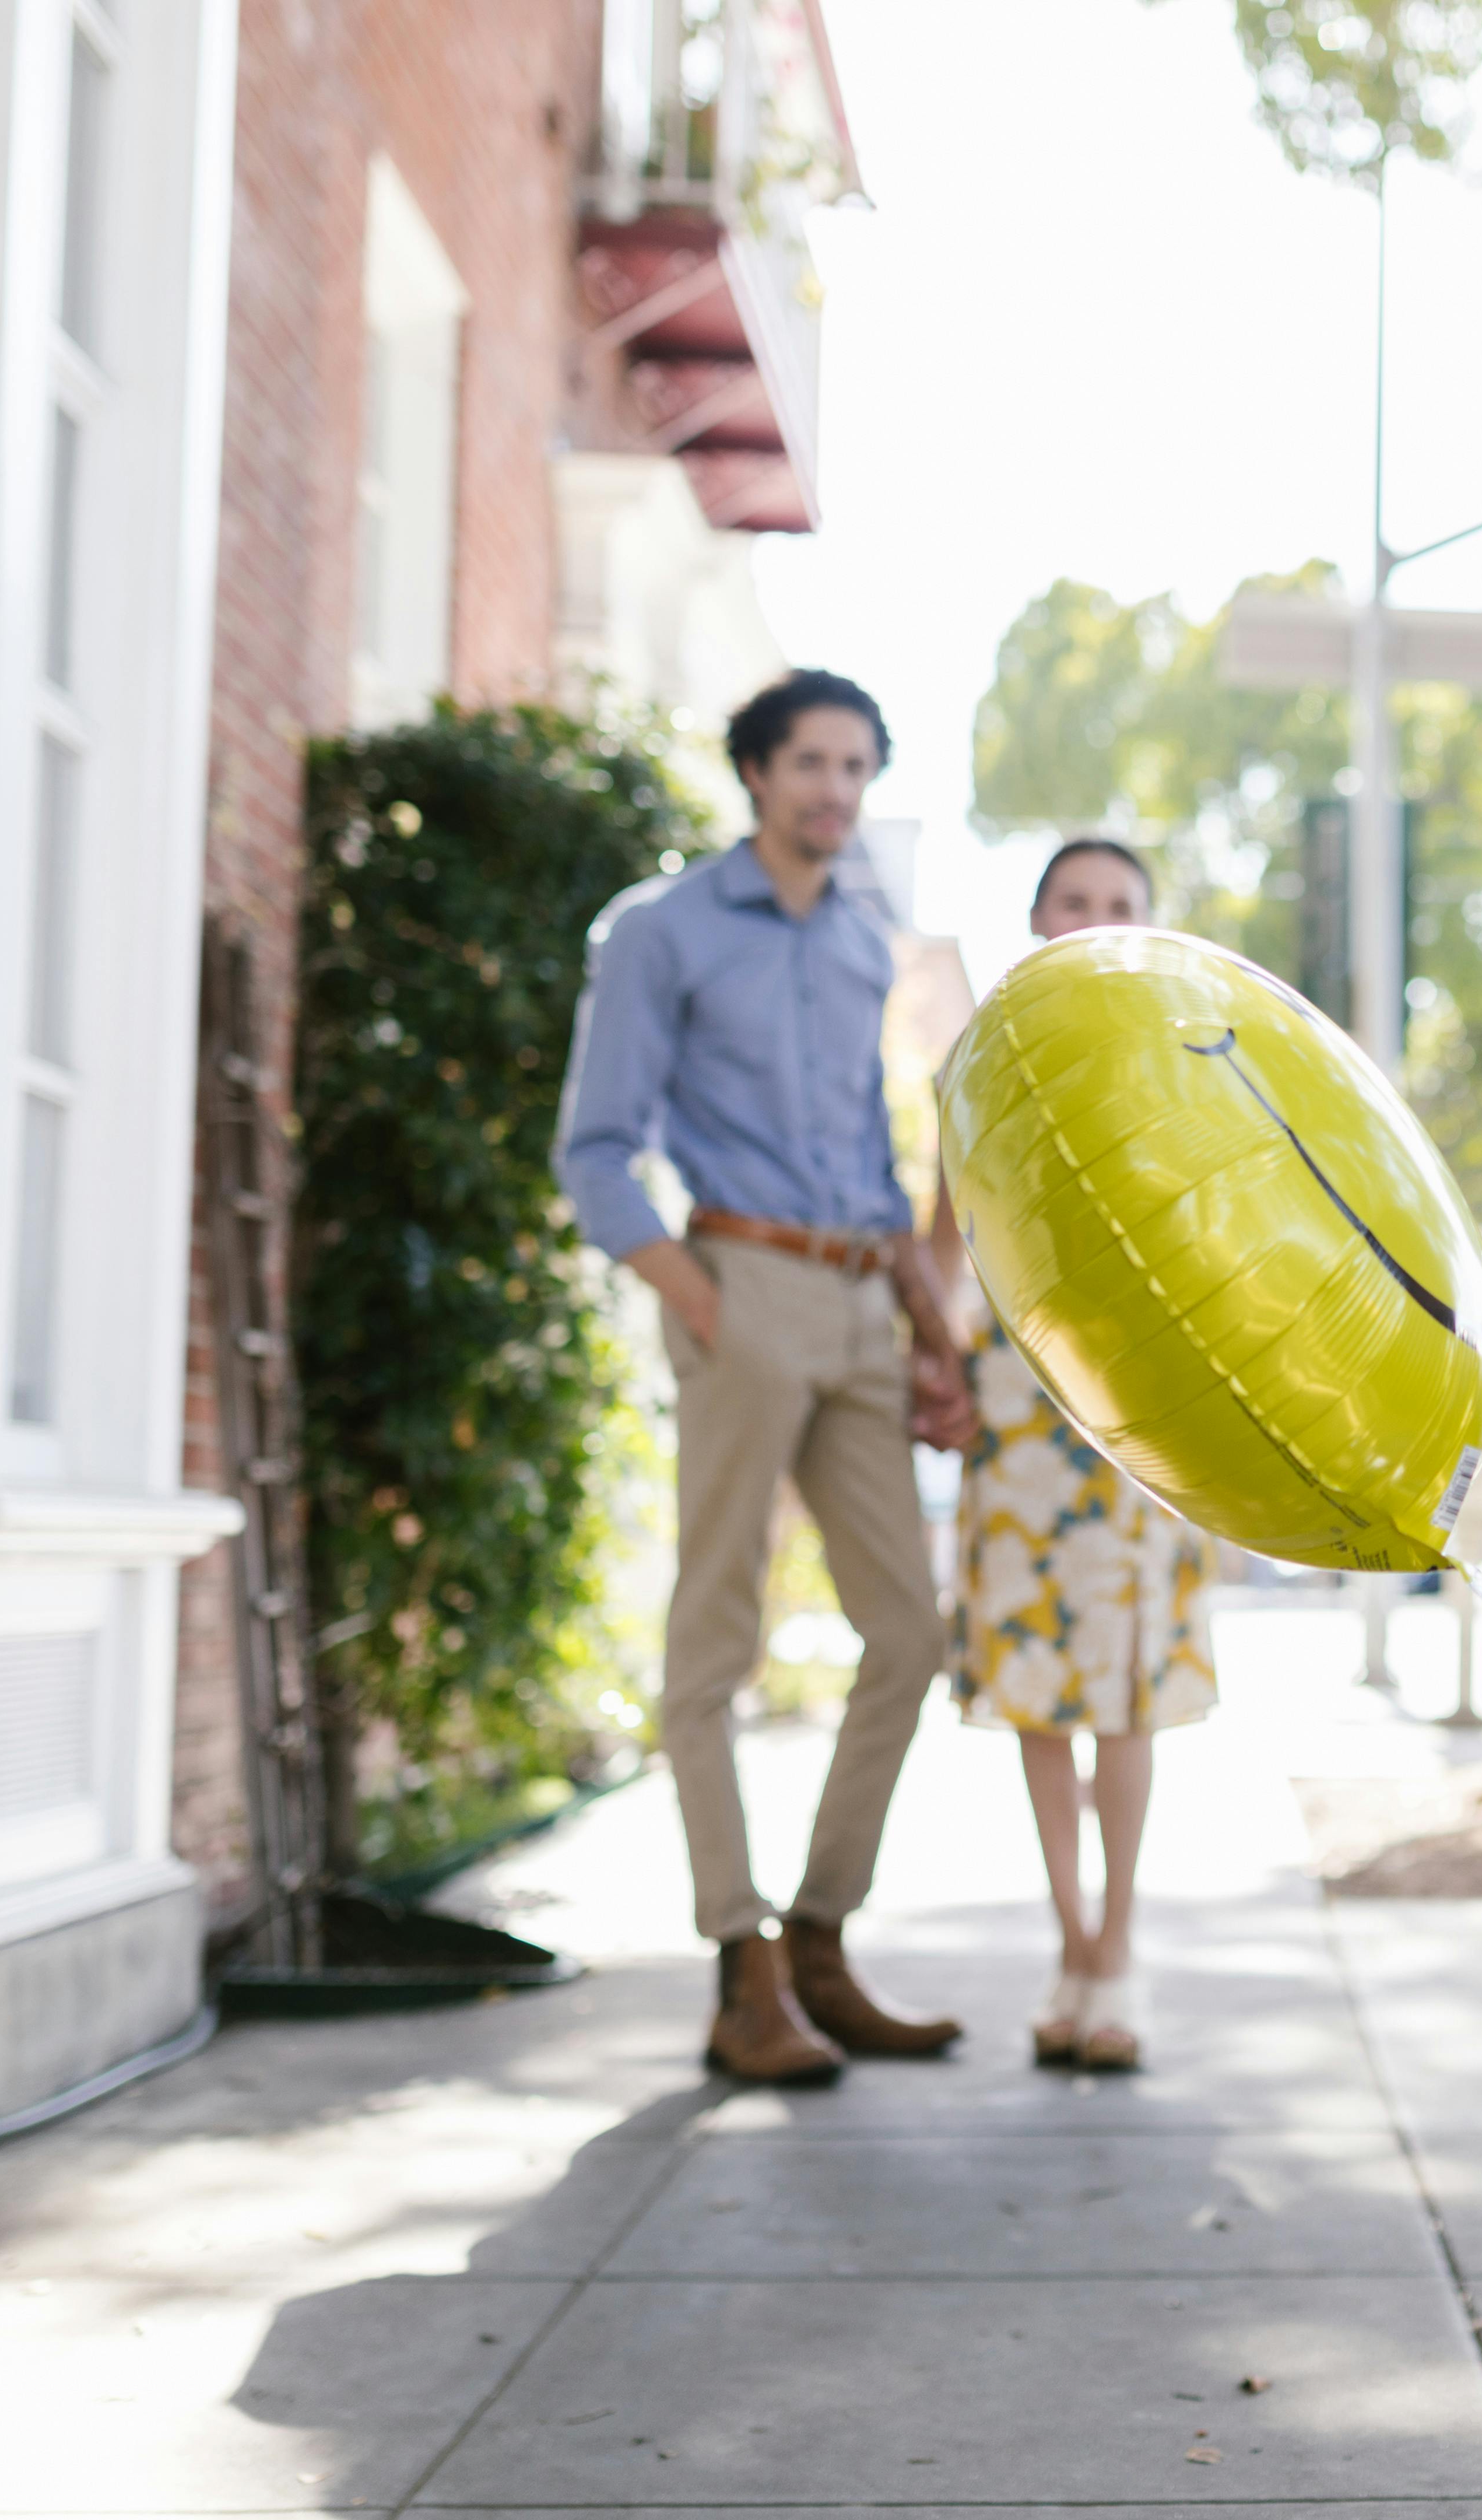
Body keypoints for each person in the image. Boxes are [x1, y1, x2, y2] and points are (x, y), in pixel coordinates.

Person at [554, 667, 979, 2087]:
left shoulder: (861, 939)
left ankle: (819, 1943)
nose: (835, 791)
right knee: (715, 1642)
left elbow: (870, 1148)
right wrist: (701, 1298)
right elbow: (595, 1150)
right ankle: (738, 1969)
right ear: (754, 772)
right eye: (811, 763)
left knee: (910, 1634)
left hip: (866, 1300)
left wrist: (931, 1336)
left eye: (857, 767)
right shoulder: (661, 933)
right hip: (745, 1287)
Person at [930, 837, 1217, 2072]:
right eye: (1076, 901)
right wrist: (930, 1359)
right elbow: (942, 1231)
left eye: (1120, 904)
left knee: (1127, 1693)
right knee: (1042, 1693)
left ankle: (1119, 1948)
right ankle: (1069, 1945)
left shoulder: (1189, 1062)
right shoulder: (984, 1057)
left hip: (1139, 1409)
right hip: (1016, 1403)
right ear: (1040, 917)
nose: (1096, 918)